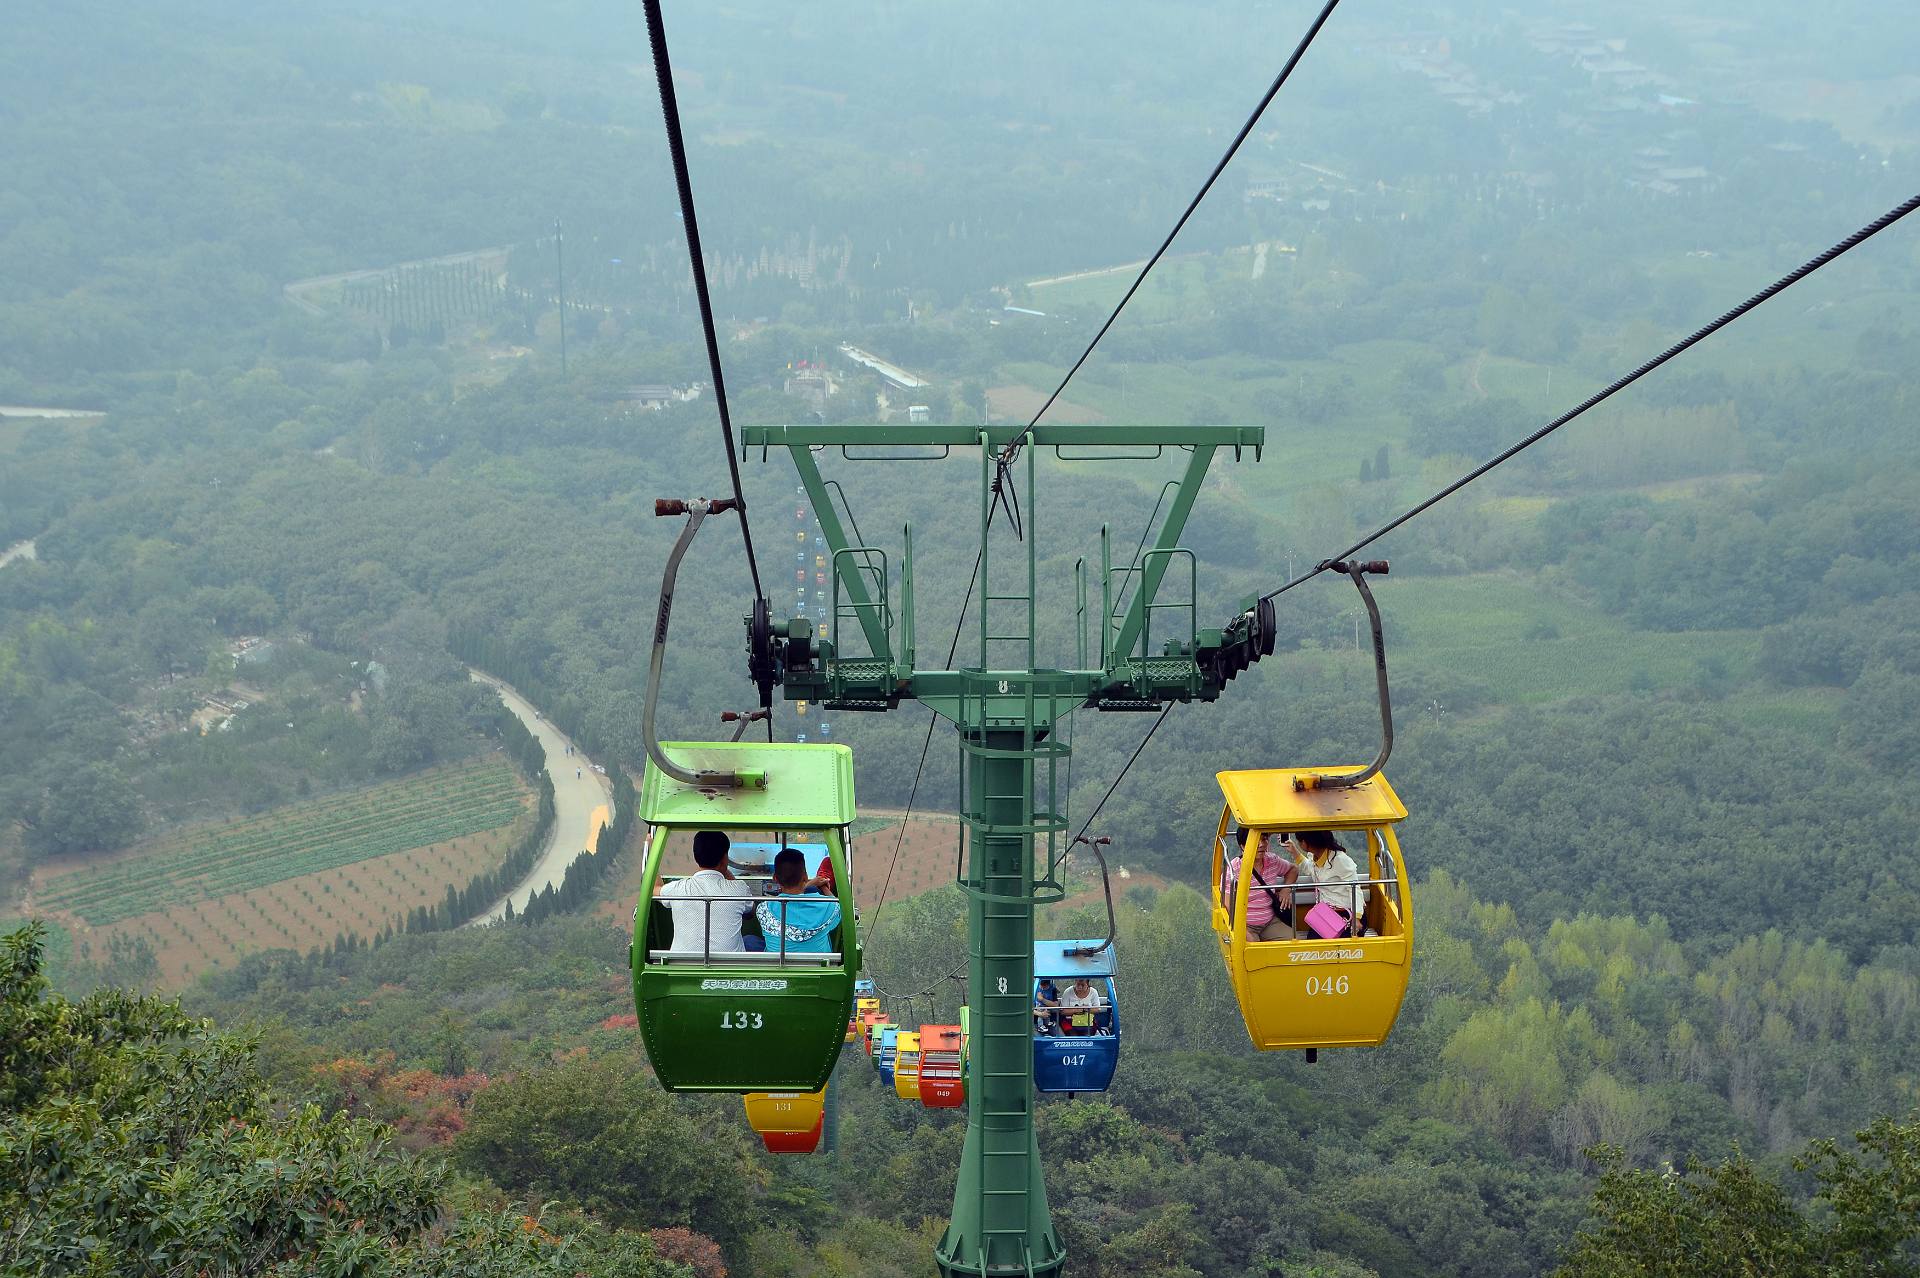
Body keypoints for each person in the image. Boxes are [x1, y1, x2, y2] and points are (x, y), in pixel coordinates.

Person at [655, 830, 755, 955]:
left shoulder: (678, 889)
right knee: (751, 941)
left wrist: (650, 854)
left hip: (682, 966)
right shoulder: (738, 889)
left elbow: (654, 889)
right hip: (729, 967)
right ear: (725, 859)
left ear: (696, 857)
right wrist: (724, 870)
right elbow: (750, 912)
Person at [754, 848, 844, 955]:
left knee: (750, 940)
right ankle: (823, 879)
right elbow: (838, 907)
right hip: (817, 969)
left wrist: (808, 885)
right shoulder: (827, 907)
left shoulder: (763, 909)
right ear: (805, 876)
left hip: (777, 968)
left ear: (775, 878)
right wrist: (824, 887)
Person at [1282, 830, 1367, 937]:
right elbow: (1311, 869)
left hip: (1346, 914)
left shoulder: (1340, 860)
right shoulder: (1315, 856)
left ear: (1304, 843)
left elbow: (1355, 889)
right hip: (1327, 913)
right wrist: (1294, 852)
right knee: (1313, 943)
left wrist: (1356, 918)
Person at [1223, 826, 1295, 941]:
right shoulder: (1233, 869)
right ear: (1243, 846)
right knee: (1252, 951)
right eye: (1256, 841)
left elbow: (1293, 869)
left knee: (1294, 943)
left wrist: (1286, 889)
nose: (1261, 844)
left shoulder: (1272, 860)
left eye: (1264, 839)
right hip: (1247, 925)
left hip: (1270, 922)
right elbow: (1228, 905)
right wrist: (1244, 932)